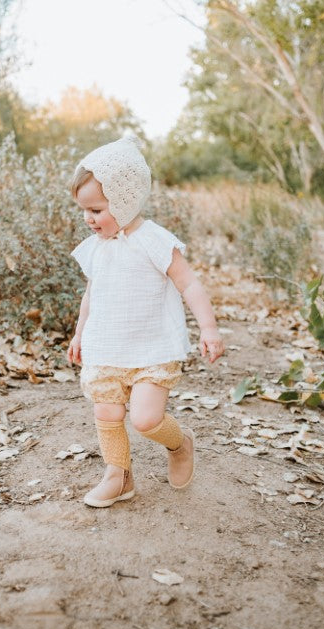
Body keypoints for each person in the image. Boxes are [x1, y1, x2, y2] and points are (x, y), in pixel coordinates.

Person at [67, 135, 224, 508]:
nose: (88, 219)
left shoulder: (153, 240)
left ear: (124, 200)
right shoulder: (97, 249)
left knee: (145, 419)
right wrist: (79, 334)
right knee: (105, 410)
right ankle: (118, 476)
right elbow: (92, 294)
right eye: (84, 211)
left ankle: (179, 442)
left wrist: (209, 327)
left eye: (96, 209)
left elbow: (189, 283)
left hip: (151, 349)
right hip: (106, 348)